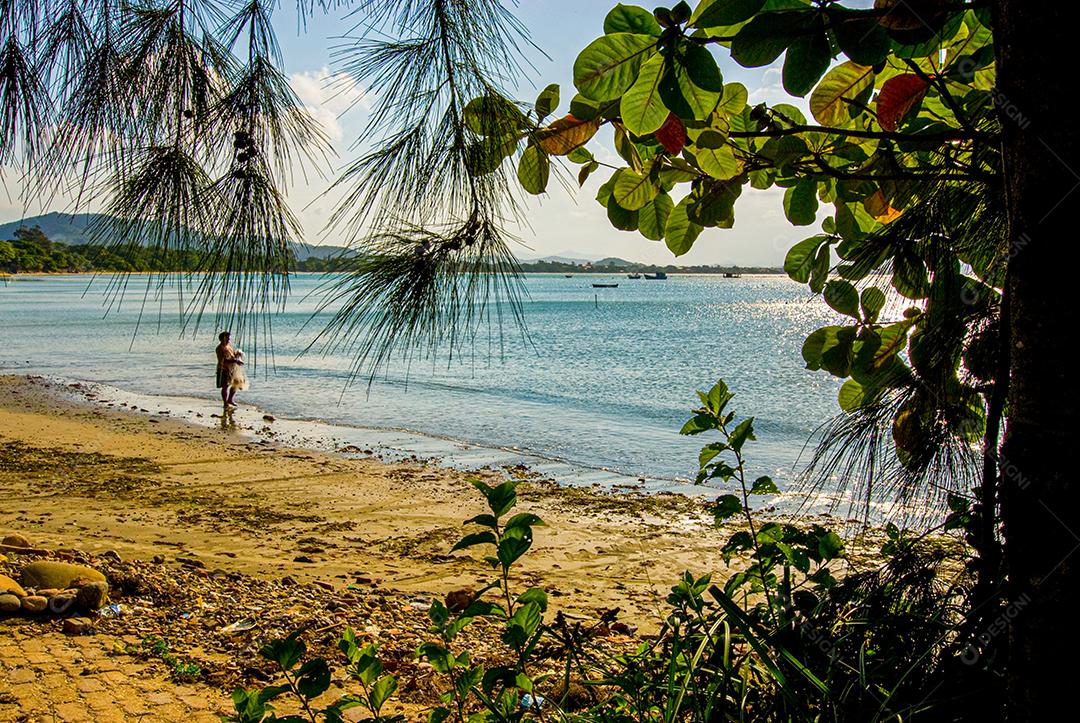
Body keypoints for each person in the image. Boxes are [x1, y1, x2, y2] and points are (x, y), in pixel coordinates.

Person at [215, 331, 244, 408]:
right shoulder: (220, 348)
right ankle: (225, 403)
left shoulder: (228, 346)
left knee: (236, 383)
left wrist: (237, 354)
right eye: (227, 338)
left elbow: (232, 355)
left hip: (231, 368)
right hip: (223, 369)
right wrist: (235, 361)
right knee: (225, 386)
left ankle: (230, 399)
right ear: (222, 339)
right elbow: (223, 360)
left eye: (228, 338)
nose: (228, 339)